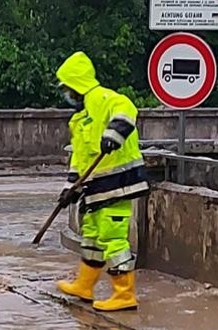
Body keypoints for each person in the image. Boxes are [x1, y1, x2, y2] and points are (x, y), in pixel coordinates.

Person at [54, 51, 149, 311]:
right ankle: (85, 284)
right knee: (93, 238)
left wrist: (113, 134)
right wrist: (69, 188)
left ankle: (124, 293)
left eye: (67, 89)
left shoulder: (107, 99)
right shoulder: (78, 119)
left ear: (77, 85)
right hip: (95, 189)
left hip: (119, 184)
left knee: (113, 239)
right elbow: (80, 160)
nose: (66, 95)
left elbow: (127, 111)